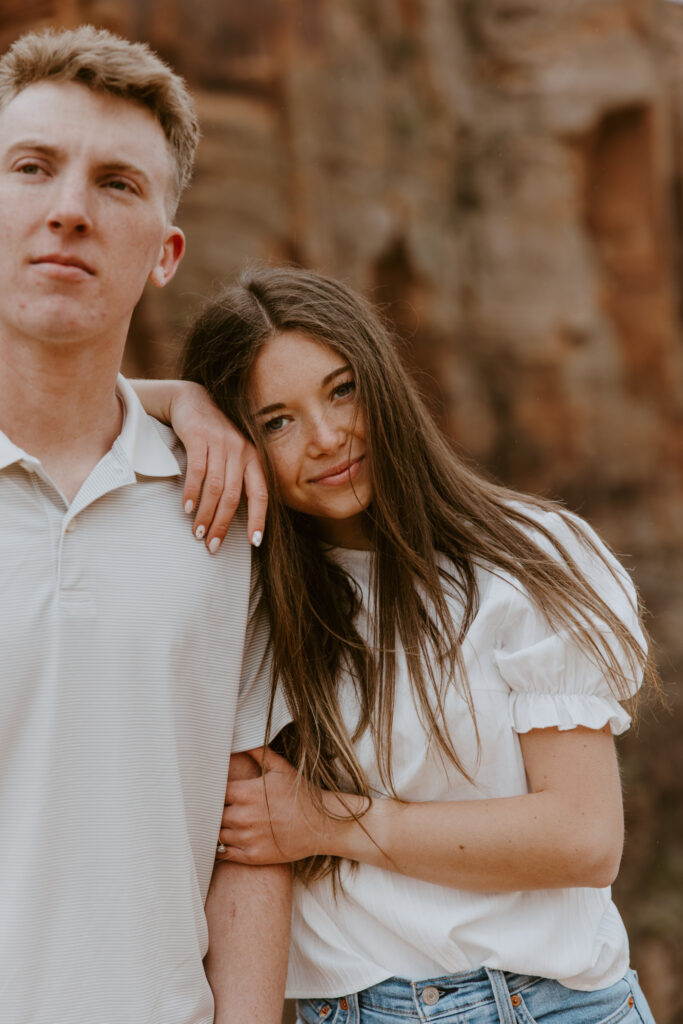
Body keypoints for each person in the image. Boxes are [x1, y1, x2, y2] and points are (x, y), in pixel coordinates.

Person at [145, 263, 659, 1024]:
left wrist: (327, 822)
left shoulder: (528, 557)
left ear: (382, 380)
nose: (325, 439)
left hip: (558, 1005)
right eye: (275, 420)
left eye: (341, 389)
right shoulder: (247, 600)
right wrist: (178, 403)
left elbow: (581, 838)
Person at [0, 27, 290, 1024]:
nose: (69, 211)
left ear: (165, 253)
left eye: (117, 184)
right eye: (31, 168)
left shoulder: (224, 509)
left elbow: (248, 837)